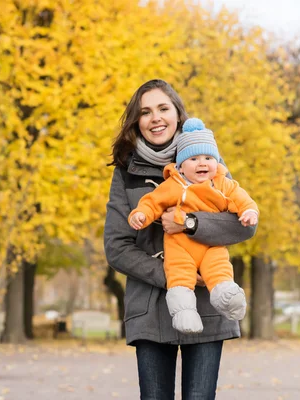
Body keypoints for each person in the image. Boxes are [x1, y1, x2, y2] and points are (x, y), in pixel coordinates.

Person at [104, 79, 256, 399]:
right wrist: (176, 277)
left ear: (178, 115)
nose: (155, 117)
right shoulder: (125, 172)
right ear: (137, 121)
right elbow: (117, 247)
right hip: (149, 308)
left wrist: (189, 223)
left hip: (206, 308)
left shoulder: (207, 162)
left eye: (163, 108)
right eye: (145, 112)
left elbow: (243, 226)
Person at [128, 117, 259, 334]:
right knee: (179, 276)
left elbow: (241, 198)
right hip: (180, 245)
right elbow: (153, 201)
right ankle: (184, 313)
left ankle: (228, 297)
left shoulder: (222, 183)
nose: (202, 163)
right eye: (194, 158)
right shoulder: (174, 184)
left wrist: (248, 212)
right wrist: (141, 214)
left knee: (219, 269)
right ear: (180, 165)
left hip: (211, 245)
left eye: (208, 157)